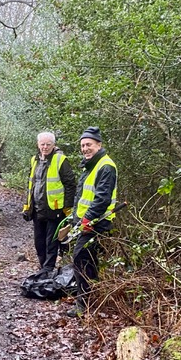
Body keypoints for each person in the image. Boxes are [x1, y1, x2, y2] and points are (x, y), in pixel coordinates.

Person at [68, 126, 118, 318]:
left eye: (89, 144)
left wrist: (88, 219)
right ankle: (92, 300)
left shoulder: (106, 166)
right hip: (85, 222)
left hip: (97, 222)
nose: (85, 148)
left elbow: (102, 198)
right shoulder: (90, 165)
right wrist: (75, 219)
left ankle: (85, 305)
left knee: (81, 260)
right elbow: (82, 196)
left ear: (99, 145)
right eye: (82, 145)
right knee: (88, 262)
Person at [23, 132, 76, 276]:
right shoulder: (34, 160)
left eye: (48, 144)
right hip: (37, 209)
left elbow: (70, 184)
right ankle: (43, 268)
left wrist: (67, 207)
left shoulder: (60, 160)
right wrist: (27, 206)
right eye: (42, 144)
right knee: (39, 242)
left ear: (54, 144)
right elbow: (31, 184)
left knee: (51, 242)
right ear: (38, 144)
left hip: (55, 209)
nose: (45, 147)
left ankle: (47, 270)